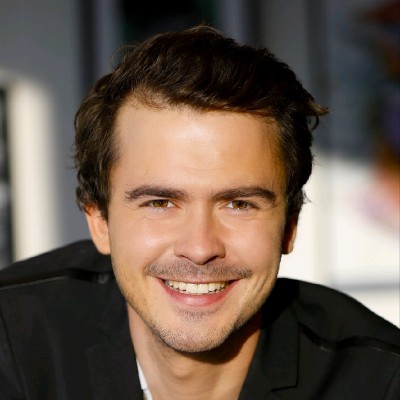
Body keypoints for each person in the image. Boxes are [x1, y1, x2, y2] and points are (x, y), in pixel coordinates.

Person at [0, 25, 399, 400]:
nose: (200, 247)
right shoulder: (12, 340)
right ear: (99, 221)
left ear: (289, 226)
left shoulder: (379, 382)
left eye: (239, 204)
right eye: (160, 203)